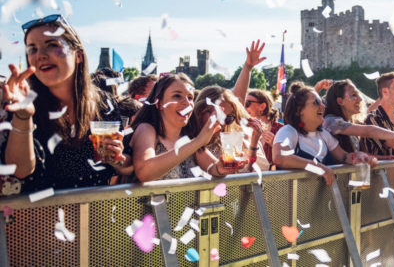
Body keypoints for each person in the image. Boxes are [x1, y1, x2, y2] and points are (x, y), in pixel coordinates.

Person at [2, 14, 132, 192]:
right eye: (32, 49)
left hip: (95, 213)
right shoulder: (23, 102)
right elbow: (20, 171)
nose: (40, 55)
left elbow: (126, 165)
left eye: (52, 45)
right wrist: (23, 116)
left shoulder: (103, 102)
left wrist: (117, 160)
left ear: (78, 56)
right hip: (41, 216)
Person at [273, 83, 376, 186]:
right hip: (294, 202)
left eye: (322, 102)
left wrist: (358, 156)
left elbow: (344, 156)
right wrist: (318, 167)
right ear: (299, 110)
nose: (323, 106)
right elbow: (280, 158)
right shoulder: (288, 131)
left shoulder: (323, 134)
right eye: (316, 102)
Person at [129, 74, 226, 181]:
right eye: (177, 96)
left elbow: (212, 168)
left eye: (190, 98)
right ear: (159, 103)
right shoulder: (146, 129)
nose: (187, 103)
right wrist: (198, 141)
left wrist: (223, 167)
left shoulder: (188, 135)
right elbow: (144, 172)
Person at [322, 80, 394, 159]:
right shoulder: (331, 122)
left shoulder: (350, 123)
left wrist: (385, 159)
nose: (360, 99)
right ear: (340, 101)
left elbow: (363, 154)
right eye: (354, 95)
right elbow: (368, 131)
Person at [190, 86, 267, 171]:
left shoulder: (227, 140)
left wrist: (254, 143)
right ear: (201, 110)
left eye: (228, 118)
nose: (222, 123)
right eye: (218, 115)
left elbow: (247, 172)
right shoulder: (185, 137)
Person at [245, 89, 283, 165]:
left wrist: (275, 146)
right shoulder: (244, 128)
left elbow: (290, 157)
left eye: (247, 103)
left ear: (262, 106)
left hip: (271, 176)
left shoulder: (281, 129)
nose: (244, 107)